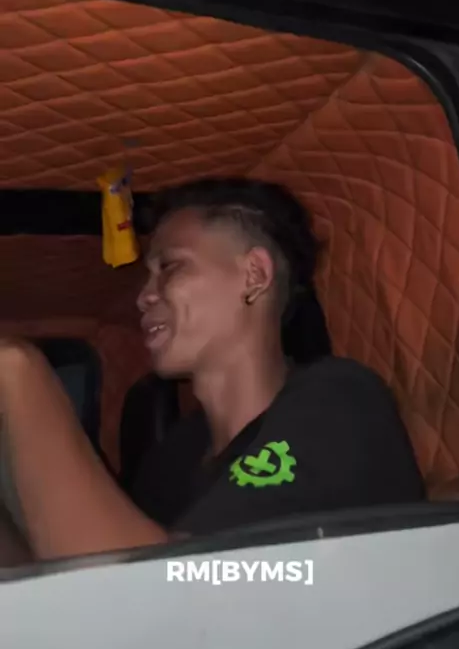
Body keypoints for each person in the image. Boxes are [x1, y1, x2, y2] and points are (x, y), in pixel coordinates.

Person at [0, 177, 424, 563]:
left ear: (254, 275)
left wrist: (17, 368)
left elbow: (165, 588)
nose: (144, 297)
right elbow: (66, 572)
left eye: (169, 267)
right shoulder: (173, 457)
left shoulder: (338, 401)